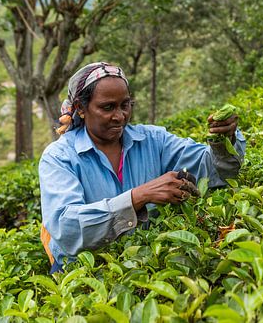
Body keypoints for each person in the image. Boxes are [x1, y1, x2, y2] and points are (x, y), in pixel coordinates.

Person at [39, 62, 246, 273]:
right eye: (107, 107)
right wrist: (138, 197)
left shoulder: (153, 140)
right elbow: (67, 229)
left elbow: (215, 173)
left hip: (144, 265)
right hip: (85, 274)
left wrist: (223, 139)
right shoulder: (59, 157)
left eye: (125, 105)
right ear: (81, 109)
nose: (120, 116)